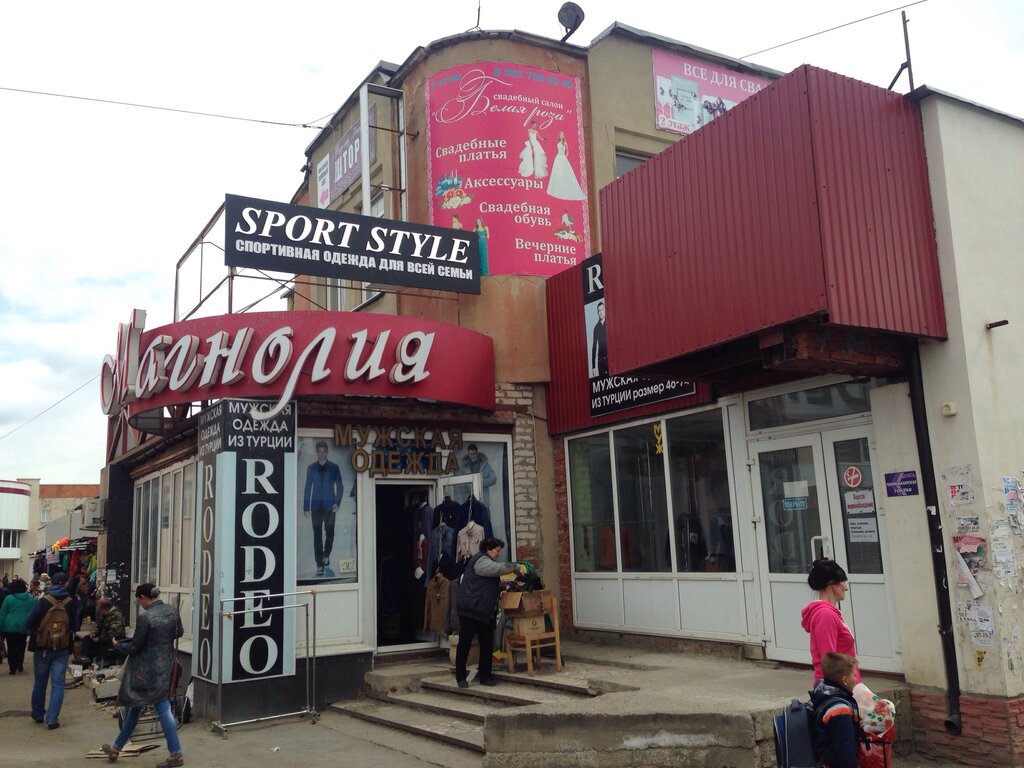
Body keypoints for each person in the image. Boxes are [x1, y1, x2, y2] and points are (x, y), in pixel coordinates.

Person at [98, 583, 184, 767]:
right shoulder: (171, 611)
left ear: (144, 597)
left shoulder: (146, 618)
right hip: (166, 665)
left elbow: (135, 646)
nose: (139, 603)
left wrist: (117, 644)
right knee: (136, 707)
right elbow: (180, 632)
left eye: (139, 599)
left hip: (146, 670)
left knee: (162, 709)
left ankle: (176, 754)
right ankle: (116, 748)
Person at [454, 537, 522, 688]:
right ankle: (460, 677)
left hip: (484, 611)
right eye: (497, 551)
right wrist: (515, 567)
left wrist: (506, 585)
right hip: (471, 609)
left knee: (486, 644)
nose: (498, 554)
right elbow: (495, 570)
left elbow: (489, 582)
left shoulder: (485, 562)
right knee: (465, 643)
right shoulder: (481, 560)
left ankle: (486, 676)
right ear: (488, 549)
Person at [26, 571, 81, 728]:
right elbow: (76, 626)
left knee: (40, 682)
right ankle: (52, 719)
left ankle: (37, 713)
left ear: (52, 583)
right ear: (65, 584)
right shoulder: (72, 602)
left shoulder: (42, 601)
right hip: (62, 648)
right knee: (58, 684)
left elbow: (29, 622)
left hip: (42, 647)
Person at [802, 558, 860, 685]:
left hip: (845, 688)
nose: (846, 587)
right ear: (832, 584)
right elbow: (831, 664)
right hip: (837, 691)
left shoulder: (831, 613)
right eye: (843, 582)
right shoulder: (825, 615)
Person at [810, 652, 861, 768]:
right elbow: (845, 750)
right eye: (854, 675)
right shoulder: (840, 710)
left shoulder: (823, 693)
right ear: (845, 680)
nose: (856, 679)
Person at [303, 440, 343, 577]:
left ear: (327, 452)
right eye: (319, 451)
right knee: (317, 536)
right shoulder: (311, 468)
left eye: (323, 451)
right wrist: (306, 507)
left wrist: (337, 503)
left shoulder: (334, 467)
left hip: (330, 506)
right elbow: (308, 487)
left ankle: (326, 555)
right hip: (316, 507)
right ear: (316, 452)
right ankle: (319, 564)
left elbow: (340, 486)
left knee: (330, 532)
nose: (321, 454)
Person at [80, 597, 126, 665]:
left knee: (93, 647)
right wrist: (95, 633)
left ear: (104, 608)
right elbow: (100, 627)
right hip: (104, 638)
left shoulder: (116, 615)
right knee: (87, 639)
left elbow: (114, 633)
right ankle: (85, 660)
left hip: (113, 641)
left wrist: (99, 639)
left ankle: (87, 662)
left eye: (100, 609)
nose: (99, 611)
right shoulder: (105, 615)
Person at [0, 578, 33, 673]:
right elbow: (33, 613)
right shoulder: (30, 599)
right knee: (22, 646)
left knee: (11, 647)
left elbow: (2, 614)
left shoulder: (8, 599)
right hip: (24, 626)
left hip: (9, 627)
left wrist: (0, 626)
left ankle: (12, 667)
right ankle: (20, 663)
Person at [546, 130, 585, 201]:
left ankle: (565, 189)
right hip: (558, 158)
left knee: (564, 173)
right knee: (556, 173)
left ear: (564, 136)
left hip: (562, 158)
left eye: (562, 135)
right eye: (560, 135)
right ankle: (556, 189)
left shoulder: (565, 143)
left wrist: (565, 157)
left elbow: (567, 151)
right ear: (559, 135)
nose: (561, 136)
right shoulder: (558, 142)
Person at [590, 301, 608, 377]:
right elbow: (594, 347)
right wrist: (593, 367)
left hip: (610, 358)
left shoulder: (609, 323)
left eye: (602, 310)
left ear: (605, 310)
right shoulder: (596, 328)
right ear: (597, 312)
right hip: (601, 361)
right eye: (599, 310)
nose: (600, 312)